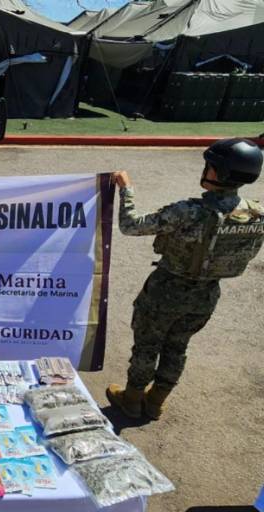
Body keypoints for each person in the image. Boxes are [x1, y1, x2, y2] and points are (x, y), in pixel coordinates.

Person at [107, 138, 263, 420]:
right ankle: (156, 402)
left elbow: (130, 225)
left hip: (165, 292)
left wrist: (126, 189)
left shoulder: (188, 211)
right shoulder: (256, 214)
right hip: (206, 296)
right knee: (177, 347)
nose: (206, 169)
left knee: (147, 346)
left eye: (210, 166)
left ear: (219, 172)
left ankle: (131, 400)